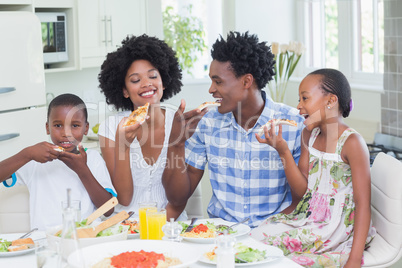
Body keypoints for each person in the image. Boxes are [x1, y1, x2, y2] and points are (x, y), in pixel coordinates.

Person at [162, 31, 305, 228]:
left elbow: (304, 196)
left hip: (273, 234)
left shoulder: (294, 124)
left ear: (247, 81)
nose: (211, 89)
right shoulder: (207, 123)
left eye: (218, 81)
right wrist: (176, 143)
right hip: (221, 236)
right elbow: (178, 198)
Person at [250, 69, 376, 267]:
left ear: (330, 101)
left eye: (304, 98)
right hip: (308, 219)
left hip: (334, 228)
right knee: (254, 238)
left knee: (280, 261)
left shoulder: (352, 143)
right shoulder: (309, 135)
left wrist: (353, 258)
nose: (299, 106)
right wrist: (283, 152)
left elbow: (363, 205)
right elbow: (302, 192)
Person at [97, 34, 187, 220]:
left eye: (153, 76)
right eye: (135, 80)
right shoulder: (111, 127)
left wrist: (158, 227)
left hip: (171, 225)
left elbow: (180, 196)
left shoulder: (179, 122)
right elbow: (124, 197)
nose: (146, 84)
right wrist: (123, 146)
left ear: (163, 80)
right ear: (124, 91)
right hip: (128, 226)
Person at [0, 93, 116, 230]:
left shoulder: (94, 158)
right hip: (44, 240)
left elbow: (108, 210)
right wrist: (27, 154)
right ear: (47, 128)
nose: (66, 133)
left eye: (75, 125)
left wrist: (82, 170)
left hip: (85, 237)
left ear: (86, 128)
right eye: (58, 125)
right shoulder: (34, 160)